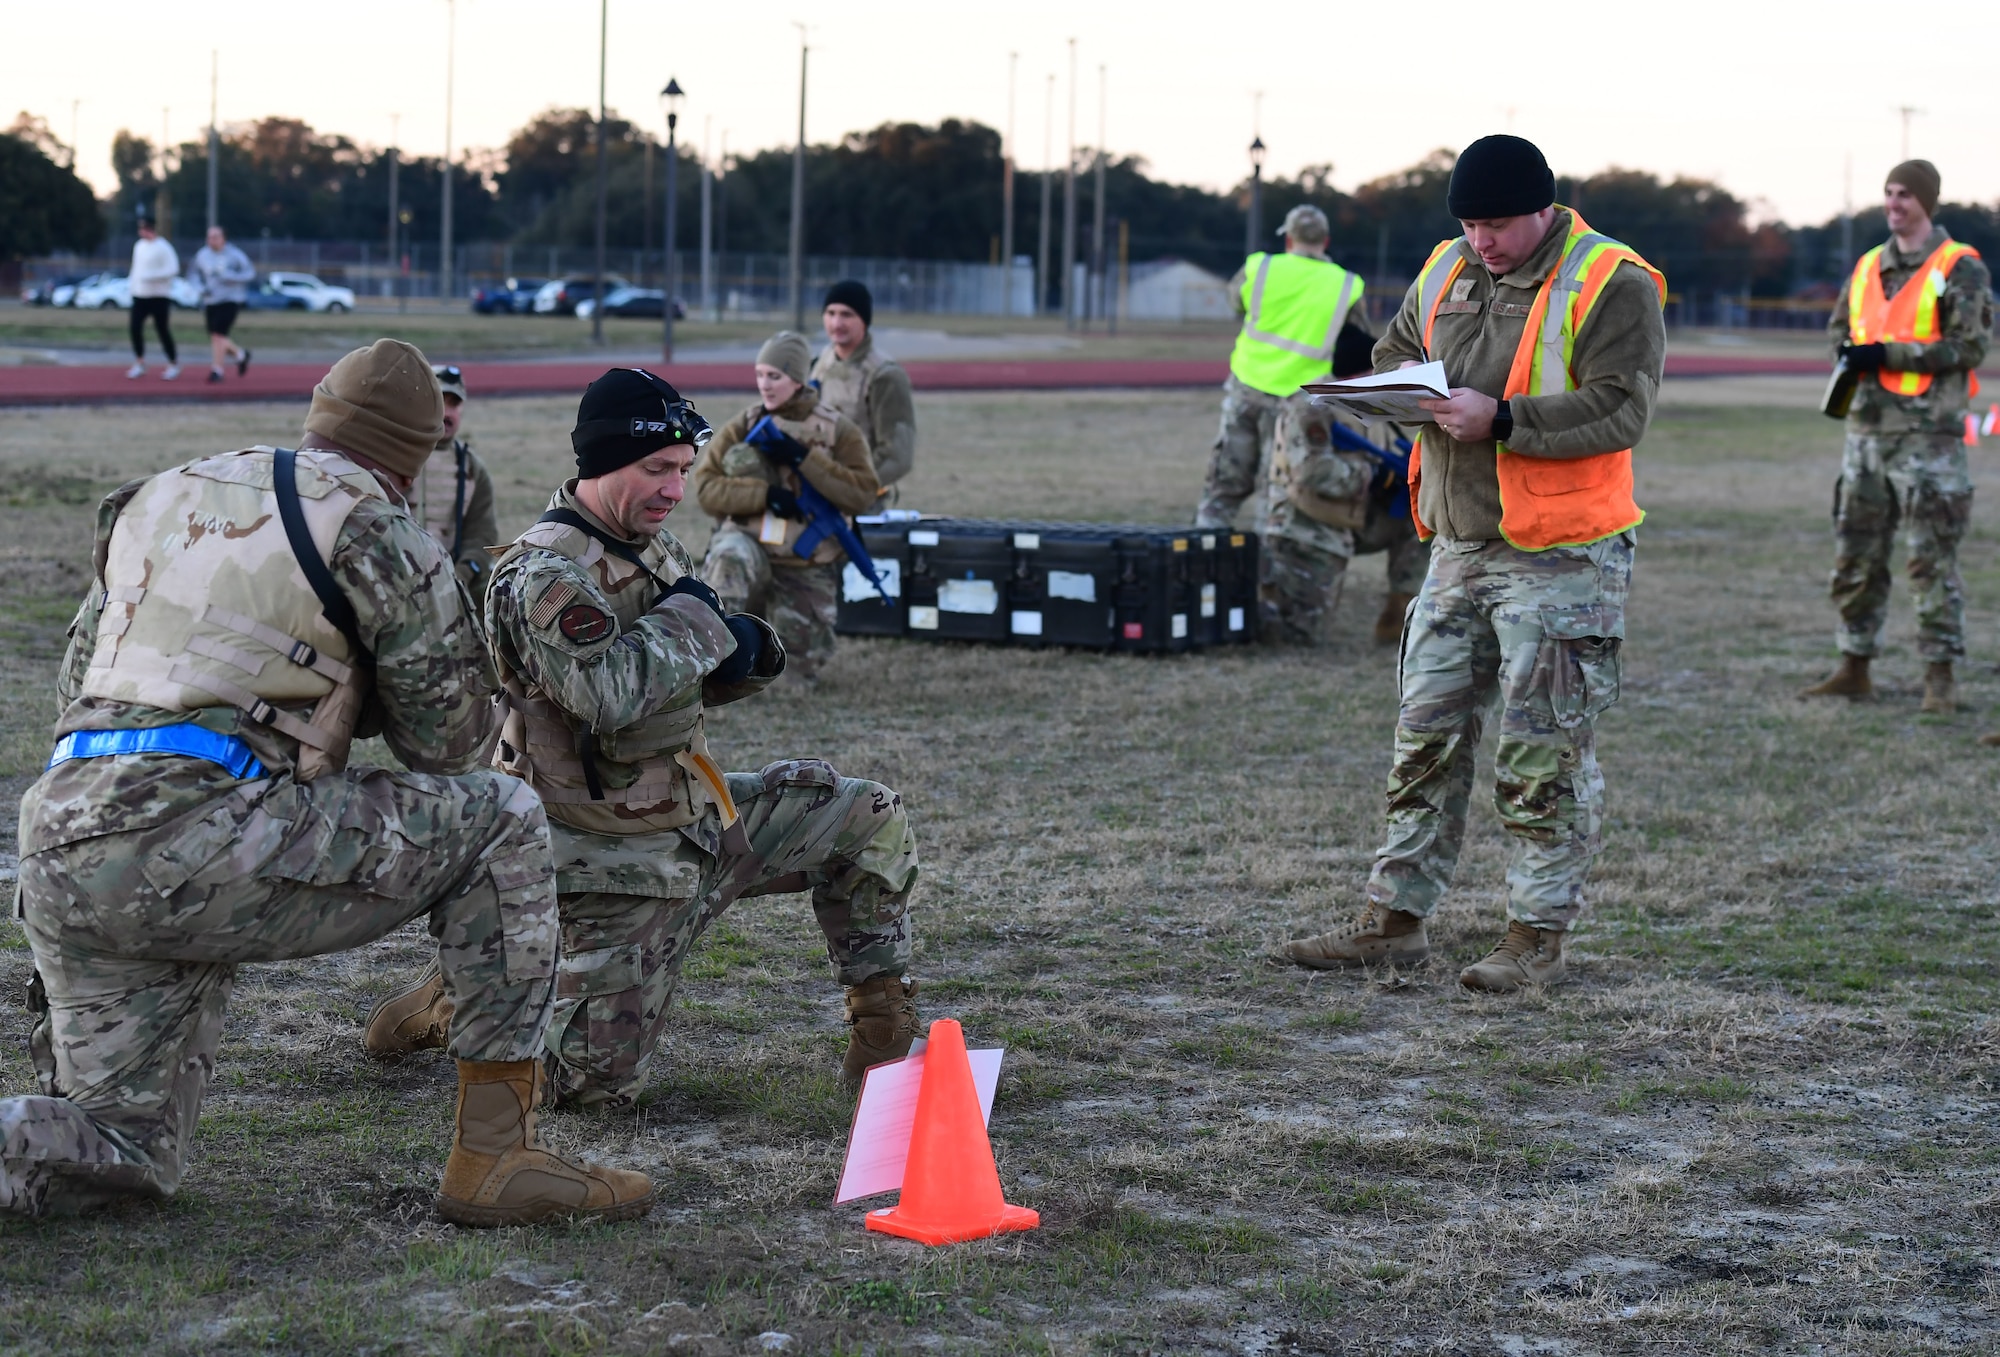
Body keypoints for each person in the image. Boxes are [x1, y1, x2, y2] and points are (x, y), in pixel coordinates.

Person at [0, 340, 652, 1226]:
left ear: (318, 414)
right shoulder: (375, 526)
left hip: (63, 836)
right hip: (206, 835)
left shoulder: (156, 495)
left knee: (122, 1151)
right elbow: (450, 748)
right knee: (502, 814)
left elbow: (76, 680)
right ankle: (498, 1157)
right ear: (419, 453)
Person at [362, 367, 922, 1110]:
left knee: (866, 815)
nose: (673, 488)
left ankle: (883, 1036)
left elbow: (678, 672)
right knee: (592, 1092)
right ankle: (465, 993)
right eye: (655, 468)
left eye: (684, 470)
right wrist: (694, 621)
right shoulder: (541, 575)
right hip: (598, 862)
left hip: (691, 817)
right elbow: (608, 696)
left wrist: (743, 653)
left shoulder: (653, 549)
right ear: (599, 464)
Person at [1276, 135, 1667, 993]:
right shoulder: (1448, 265)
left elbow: (1620, 408)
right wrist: (1399, 394)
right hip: (1456, 546)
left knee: (1543, 755)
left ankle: (1536, 937)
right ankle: (1395, 920)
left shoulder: (1613, 280)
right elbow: (1392, 352)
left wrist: (1501, 418)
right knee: (1424, 740)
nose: (1480, 240)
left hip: (1563, 555)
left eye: (1495, 224)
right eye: (1468, 223)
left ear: (1543, 210)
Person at [1800, 160, 1991, 715]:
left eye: (1905, 194)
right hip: (1865, 432)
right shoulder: (1866, 266)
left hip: (1927, 436)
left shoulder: (1960, 267)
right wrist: (1847, 350)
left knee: (1930, 560)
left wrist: (1891, 354)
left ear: (1927, 201)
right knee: (1856, 554)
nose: (1894, 203)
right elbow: (1841, 325)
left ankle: (1940, 679)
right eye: (1889, 192)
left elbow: (1970, 347)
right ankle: (1854, 666)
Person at [694, 332, 879, 683]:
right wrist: (764, 495)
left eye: (774, 376)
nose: (764, 384)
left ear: (797, 380)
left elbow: (862, 493)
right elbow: (706, 488)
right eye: (760, 374)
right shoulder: (745, 425)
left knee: (794, 680)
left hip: (804, 563)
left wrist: (803, 458)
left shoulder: (838, 430)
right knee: (728, 556)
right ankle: (712, 662)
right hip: (748, 547)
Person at [1194, 204, 1368, 529]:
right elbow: (1356, 342)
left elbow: (1236, 303)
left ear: (1289, 239)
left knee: (1223, 483)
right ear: (1325, 241)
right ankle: (1266, 568)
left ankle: (1205, 555)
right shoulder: (1346, 284)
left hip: (1247, 385)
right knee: (1276, 489)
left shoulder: (1259, 267)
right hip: (1299, 401)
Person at [1259, 324, 1431, 645]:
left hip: (1355, 515)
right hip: (1307, 524)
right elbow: (1312, 471)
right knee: (1301, 637)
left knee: (1420, 516)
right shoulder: (1311, 407)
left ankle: (1399, 611)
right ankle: (1266, 593)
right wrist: (1372, 475)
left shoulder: (1369, 403)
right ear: (1358, 373)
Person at [809, 279, 917, 497]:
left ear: (864, 321)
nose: (836, 323)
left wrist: (848, 489)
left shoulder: (884, 375)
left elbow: (897, 456)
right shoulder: (818, 365)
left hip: (860, 499)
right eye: (830, 313)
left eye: (847, 315)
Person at [411, 364, 502, 599]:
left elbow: (482, 535)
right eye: (440, 402)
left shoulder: (471, 468)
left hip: (454, 580)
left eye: (454, 403)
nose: (447, 412)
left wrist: (460, 575)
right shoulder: (397, 457)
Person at [192, 225, 255, 383]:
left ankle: (217, 370)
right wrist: (200, 288)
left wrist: (232, 277)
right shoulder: (202, 255)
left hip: (230, 299)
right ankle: (240, 355)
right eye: (209, 237)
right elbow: (193, 274)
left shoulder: (235, 255)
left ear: (223, 238)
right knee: (215, 337)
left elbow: (250, 273)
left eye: (215, 237)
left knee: (219, 335)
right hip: (211, 299)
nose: (211, 240)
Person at [126, 215, 181, 381]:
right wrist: (132, 286)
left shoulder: (163, 247)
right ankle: (140, 362)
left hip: (158, 296)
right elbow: (135, 269)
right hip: (140, 295)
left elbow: (173, 269)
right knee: (135, 328)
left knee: (162, 330)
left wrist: (152, 276)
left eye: (143, 228)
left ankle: (173, 363)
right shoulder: (139, 246)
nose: (141, 231)